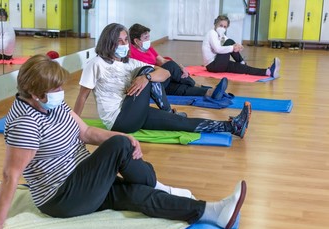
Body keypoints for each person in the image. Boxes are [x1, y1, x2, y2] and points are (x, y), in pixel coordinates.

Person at [0, 54, 247, 229]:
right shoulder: (25, 123)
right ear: (36, 94)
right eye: (56, 89)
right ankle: (153, 180)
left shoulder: (50, 104)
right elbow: (9, 176)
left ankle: (212, 212)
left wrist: (125, 138)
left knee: (138, 191)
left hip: (86, 180)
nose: (61, 92)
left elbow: (86, 132)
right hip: (63, 197)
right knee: (120, 145)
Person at [74, 23, 251, 138]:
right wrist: (74, 125)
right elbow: (82, 96)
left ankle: (233, 126)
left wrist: (146, 78)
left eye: (125, 40)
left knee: (182, 122)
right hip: (120, 119)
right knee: (146, 70)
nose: (124, 45)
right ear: (108, 43)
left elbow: (164, 73)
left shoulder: (130, 62)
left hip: (136, 111)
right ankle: (168, 109)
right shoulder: (96, 64)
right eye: (119, 42)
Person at [129, 23, 228, 99]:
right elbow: (151, 68)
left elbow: (162, 61)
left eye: (148, 37)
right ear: (136, 41)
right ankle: (198, 85)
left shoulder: (148, 48)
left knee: (178, 86)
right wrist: (174, 69)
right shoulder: (131, 53)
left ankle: (209, 92)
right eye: (145, 38)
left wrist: (180, 67)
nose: (148, 40)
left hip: (161, 79)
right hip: (149, 81)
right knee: (171, 66)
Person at [202, 15, 281, 78]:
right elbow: (218, 49)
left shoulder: (221, 35)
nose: (222, 28)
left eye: (225, 27)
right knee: (230, 42)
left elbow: (229, 42)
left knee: (243, 68)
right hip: (213, 65)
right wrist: (233, 47)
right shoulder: (212, 33)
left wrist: (238, 46)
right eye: (220, 25)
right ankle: (241, 62)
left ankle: (268, 72)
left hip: (219, 63)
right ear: (215, 24)